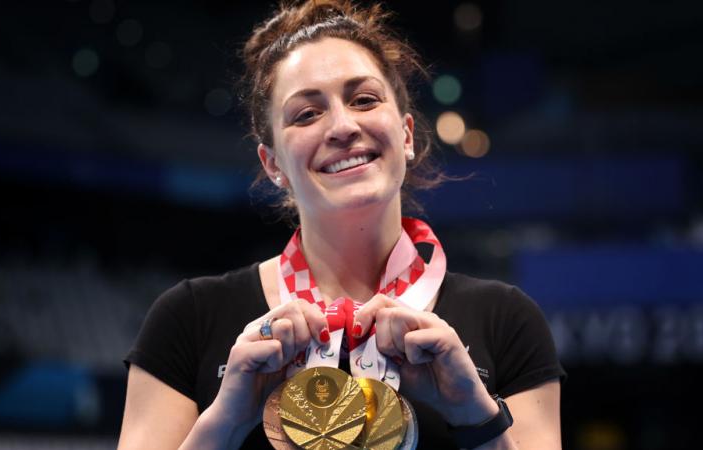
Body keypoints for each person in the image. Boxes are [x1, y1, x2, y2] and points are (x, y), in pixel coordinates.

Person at [118, 1, 565, 449]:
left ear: (406, 136)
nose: (342, 126)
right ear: (272, 164)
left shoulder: (506, 320)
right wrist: (224, 423)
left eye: (364, 100)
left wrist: (475, 415)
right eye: (307, 114)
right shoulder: (190, 319)